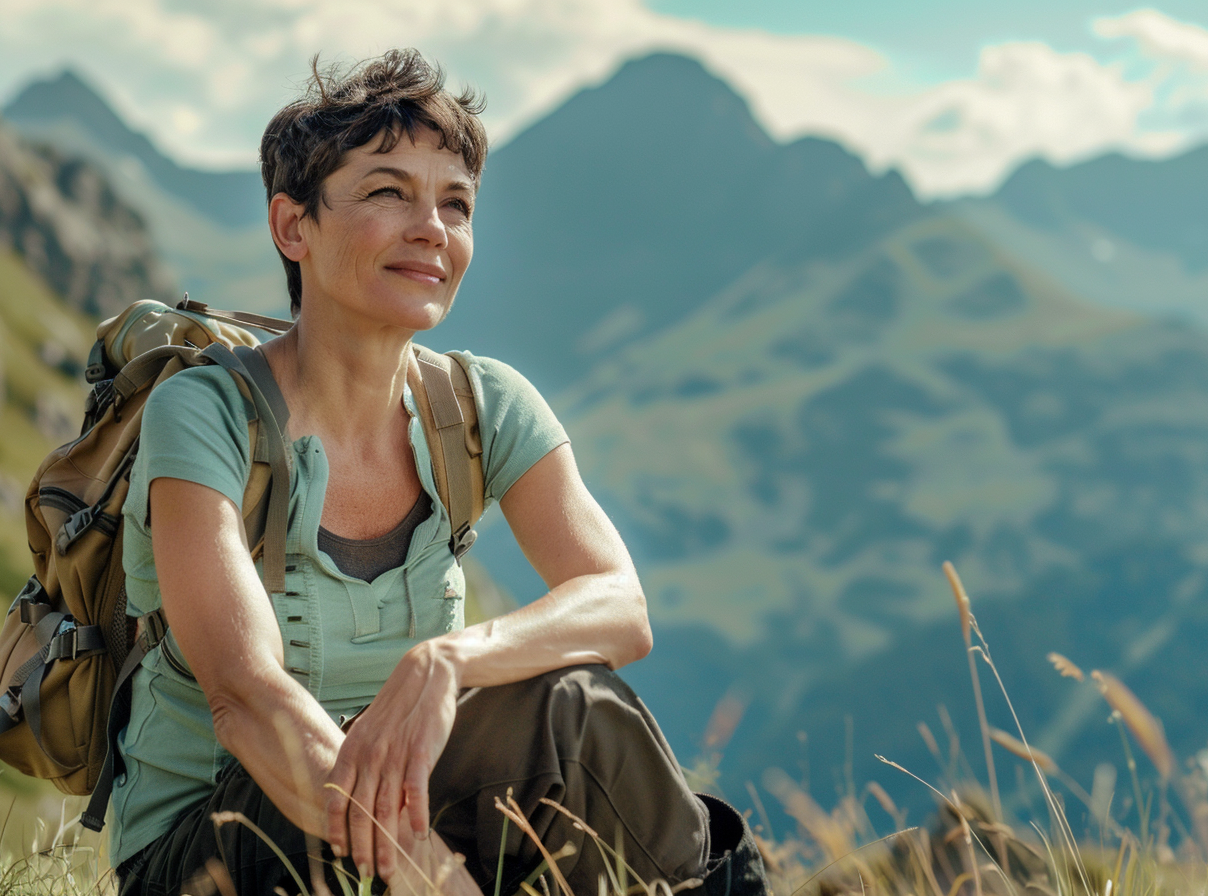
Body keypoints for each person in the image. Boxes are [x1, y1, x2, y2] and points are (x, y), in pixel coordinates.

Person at [108, 49, 769, 896]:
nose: (432, 228)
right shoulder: (206, 416)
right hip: (218, 843)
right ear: (292, 226)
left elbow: (619, 606)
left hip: (414, 808)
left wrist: (448, 663)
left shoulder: (481, 405)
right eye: (388, 192)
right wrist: (434, 877)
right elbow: (248, 702)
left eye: (454, 204)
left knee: (582, 712)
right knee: (343, 778)